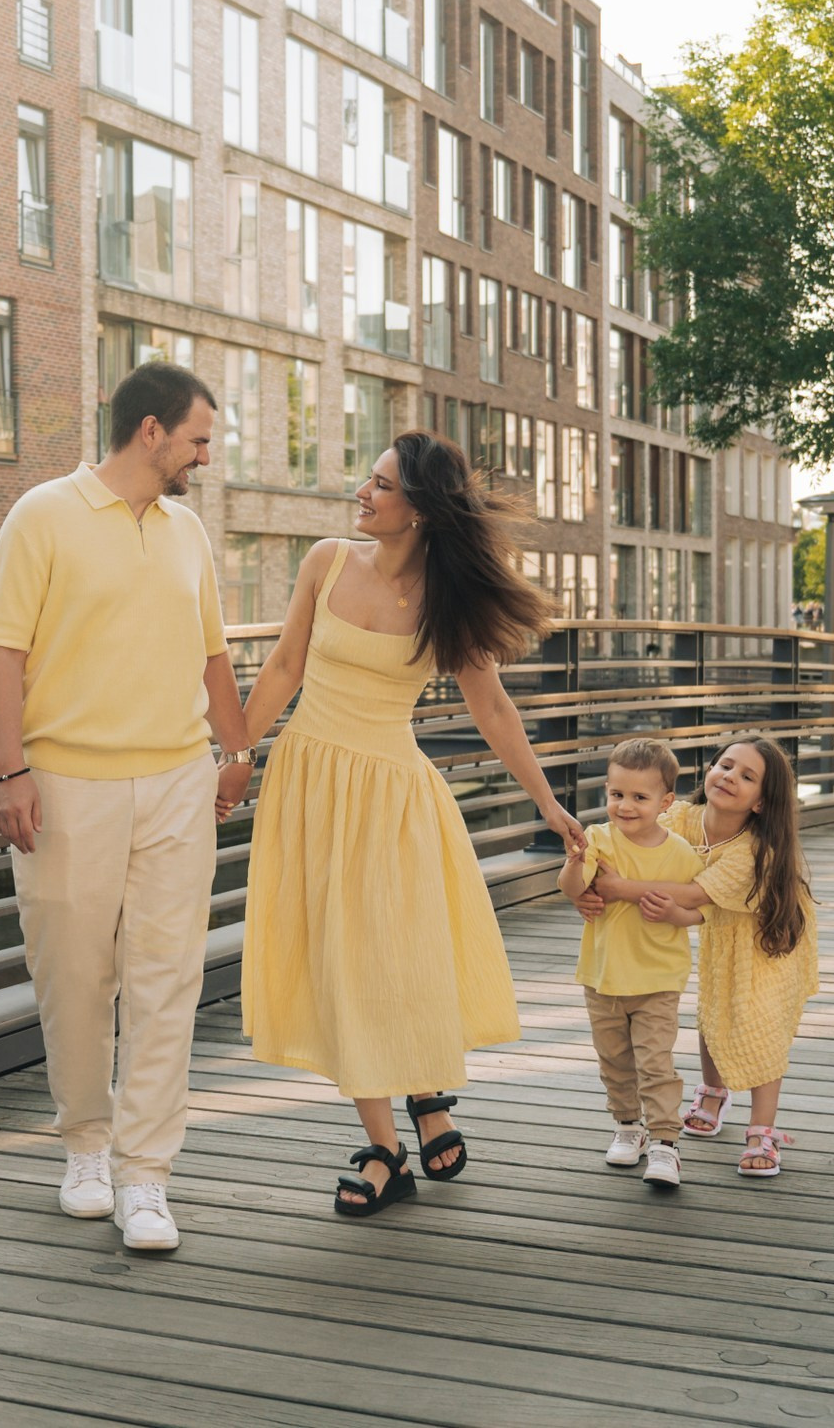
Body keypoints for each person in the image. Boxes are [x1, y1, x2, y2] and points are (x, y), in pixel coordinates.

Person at [239, 430, 584, 1217]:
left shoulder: (446, 598)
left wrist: (548, 802)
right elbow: (285, 667)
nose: (362, 492)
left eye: (382, 484)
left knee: (394, 956)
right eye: (368, 478)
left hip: (392, 798)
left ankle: (422, 1095)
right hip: (310, 783)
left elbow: (492, 707)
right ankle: (388, 1146)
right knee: (340, 963)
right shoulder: (326, 561)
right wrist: (232, 752)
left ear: (421, 509)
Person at [0, 362, 256, 1253]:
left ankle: (147, 1174)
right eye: (198, 440)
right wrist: (10, 772)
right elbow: (2, 654)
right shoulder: (42, 515)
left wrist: (236, 750)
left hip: (177, 781)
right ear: (151, 431)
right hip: (67, 785)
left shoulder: (187, 532)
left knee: (168, 980)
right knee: (73, 977)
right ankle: (86, 1148)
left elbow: (212, 655)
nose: (205, 457)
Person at [581, 736, 819, 1178]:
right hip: (716, 927)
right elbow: (638, 843)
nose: (729, 777)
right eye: (725, 765)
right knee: (713, 1008)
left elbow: (692, 893)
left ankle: (761, 1129)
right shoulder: (681, 818)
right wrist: (587, 887)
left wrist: (617, 889)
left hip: (764, 938)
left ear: (761, 802)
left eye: (746, 776)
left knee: (759, 1023)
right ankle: (713, 1091)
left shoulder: (754, 852)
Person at [556, 736, 708, 1190]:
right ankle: (627, 1126)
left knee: (655, 1063)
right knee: (615, 1061)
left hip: (657, 978)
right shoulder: (598, 839)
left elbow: (702, 908)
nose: (625, 806)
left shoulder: (680, 853)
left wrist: (676, 913)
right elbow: (572, 888)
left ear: (665, 802)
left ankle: (665, 1142)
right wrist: (575, 862)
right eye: (617, 794)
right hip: (603, 976)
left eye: (639, 797)